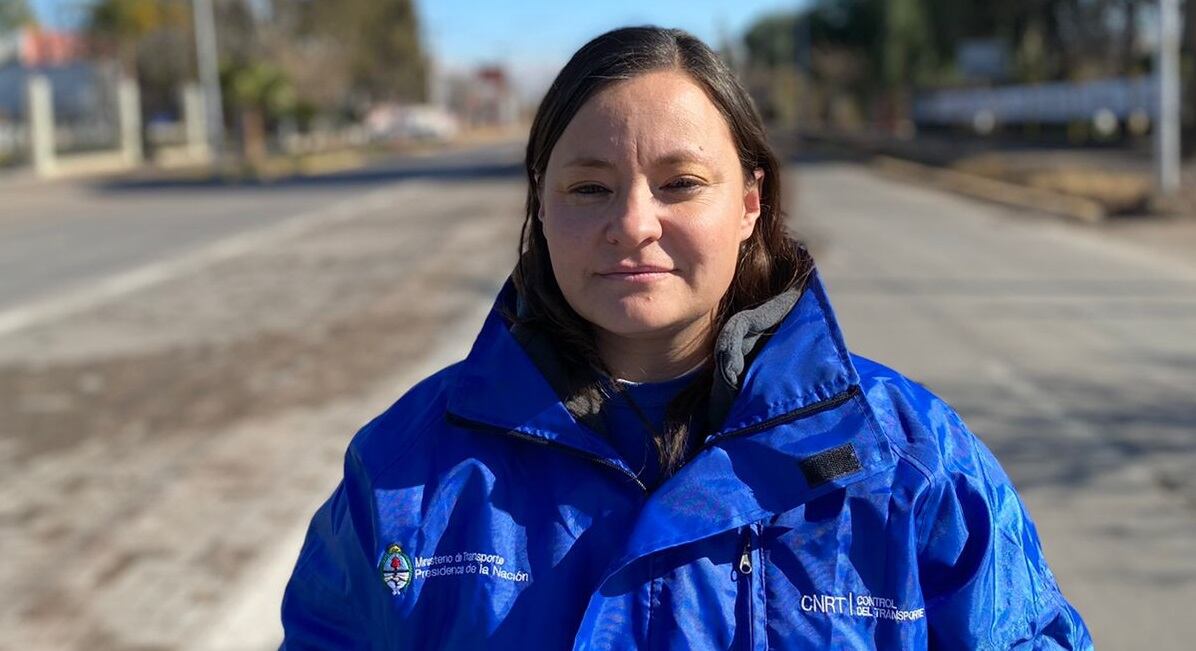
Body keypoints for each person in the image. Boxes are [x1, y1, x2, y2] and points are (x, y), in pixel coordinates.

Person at [279, 26, 1092, 650]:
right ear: (541, 205)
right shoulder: (406, 475)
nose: (632, 224)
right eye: (590, 187)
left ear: (749, 203)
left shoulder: (911, 464)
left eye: (681, 184)